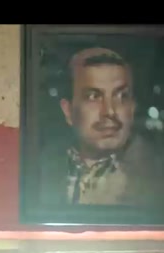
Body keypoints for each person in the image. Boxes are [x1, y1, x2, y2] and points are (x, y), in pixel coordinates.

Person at [42, 46, 164, 207]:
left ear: (132, 108)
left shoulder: (156, 176)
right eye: (93, 96)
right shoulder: (38, 168)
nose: (110, 111)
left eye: (121, 96)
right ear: (68, 111)